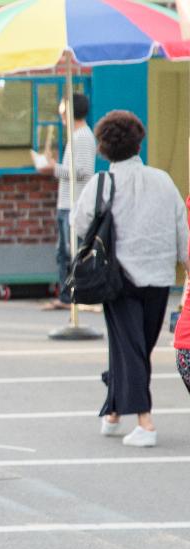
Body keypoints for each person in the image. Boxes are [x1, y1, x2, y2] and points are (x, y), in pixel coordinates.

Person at [72, 111, 187, 448]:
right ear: (139, 142)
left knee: (130, 347)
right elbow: (182, 228)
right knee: (137, 347)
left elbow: (80, 226)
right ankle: (113, 411)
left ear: (104, 148)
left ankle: (145, 422)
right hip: (160, 276)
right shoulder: (163, 179)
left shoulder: (101, 183)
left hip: (118, 278)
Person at [38, 92, 95, 310]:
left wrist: (54, 168)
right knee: (64, 252)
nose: (61, 115)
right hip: (67, 202)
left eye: (63, 110)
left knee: (72, 252)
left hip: (74, 203)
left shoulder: (82, 137)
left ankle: (73, 296)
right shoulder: (77, 135)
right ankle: (66, 296)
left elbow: (83, 172)